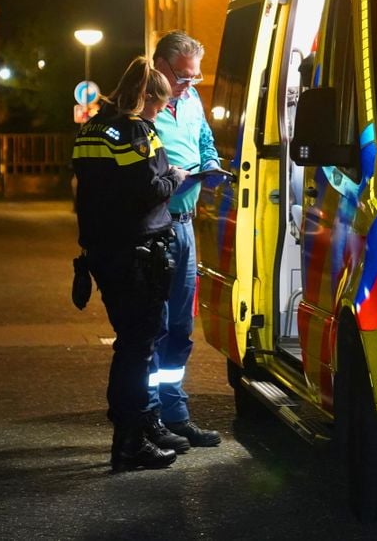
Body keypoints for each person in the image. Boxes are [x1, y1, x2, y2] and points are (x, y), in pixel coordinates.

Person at [73, 57, 187, 471]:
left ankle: (128, 430)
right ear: (146, 97)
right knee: (138, 347)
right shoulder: (137, 131)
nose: (159, 113)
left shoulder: (91, 128)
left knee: (128, 344)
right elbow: (148, 189)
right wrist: (175, 176)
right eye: (159, 105)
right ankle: (130, 442)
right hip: (138, 252)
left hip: (103, 251)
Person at [147, 30, 224, 448]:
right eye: (182, 75)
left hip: (185, 223)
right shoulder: (142, 103)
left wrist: (209, 163)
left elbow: (204, 138)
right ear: (159, 63)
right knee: (152, 325)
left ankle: (174, 413)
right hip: (154, 224)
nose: (188, 84)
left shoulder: (191, 99)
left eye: (194, 77)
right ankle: (148, 416)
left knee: (179, 325)